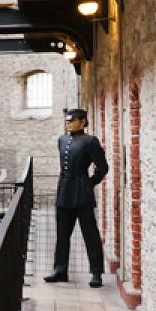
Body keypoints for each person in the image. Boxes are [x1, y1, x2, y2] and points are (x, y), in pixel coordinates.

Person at [45, 107, 109, 287]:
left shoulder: (90, 141)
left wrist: (90, 183)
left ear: (82, 121)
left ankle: (96, 272)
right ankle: (60, 269)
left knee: (90, 233)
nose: (68, 124)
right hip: (65, 190)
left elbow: (103, 167)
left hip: (82, 191)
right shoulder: (62, 140)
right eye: (67, 121)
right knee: (62, 233)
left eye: (72, 121)